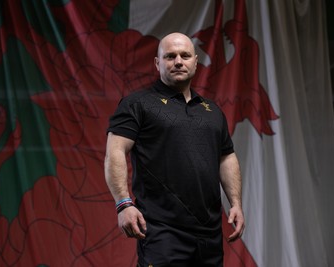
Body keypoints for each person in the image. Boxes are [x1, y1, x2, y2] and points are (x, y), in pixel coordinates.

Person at [104, 32, 245, 266]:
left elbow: (226, 157)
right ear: (158, 63)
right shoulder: (137, 104)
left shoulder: (212, 111)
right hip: (162, 232)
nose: (178, 61)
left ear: (195, 62)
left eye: (185, 55)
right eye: (170, 56)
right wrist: (123, 204)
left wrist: (236, 203)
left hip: (209, 235)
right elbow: (115, 152)